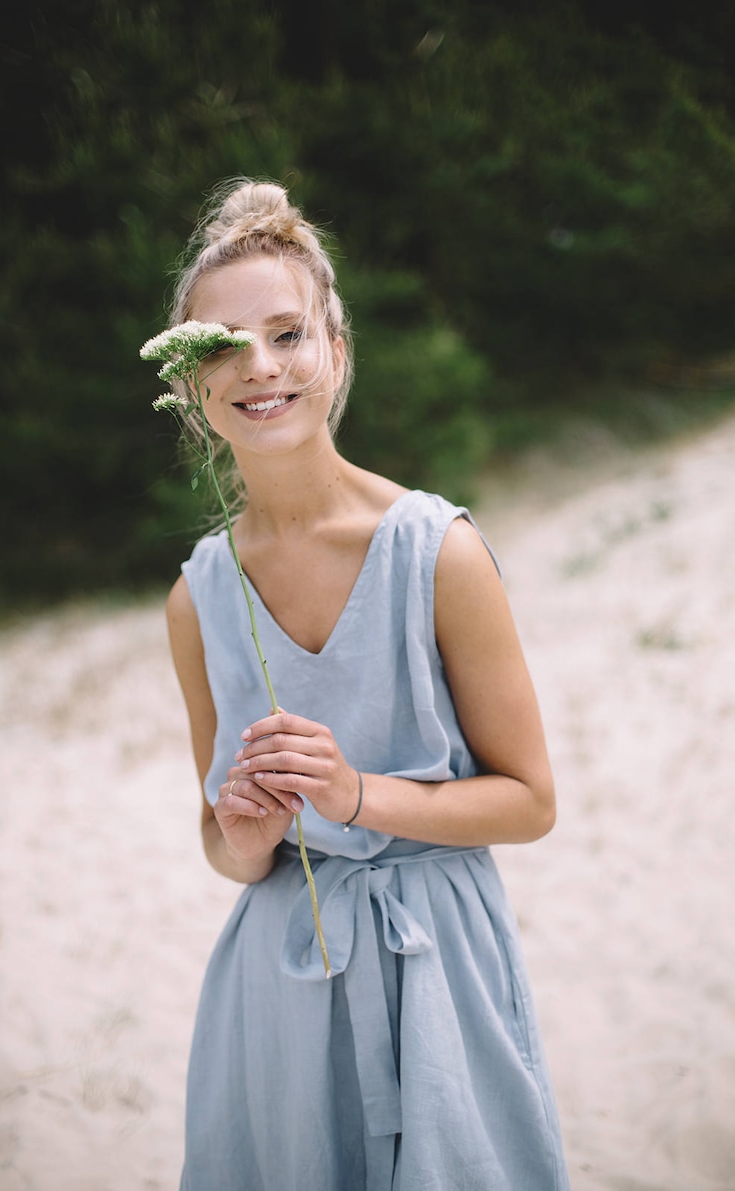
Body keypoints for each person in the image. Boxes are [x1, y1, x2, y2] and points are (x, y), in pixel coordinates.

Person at [162, 178, 570, 1190]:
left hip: (437, 964)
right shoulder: (195, 597)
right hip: (277, 985)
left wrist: (355, 797)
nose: (256, 366)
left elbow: (529, 804)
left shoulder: (438, 552)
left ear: (334, 353)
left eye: (287, 334)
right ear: (188, 385)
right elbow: (224, 842)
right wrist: (244, 836)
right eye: (219, 344)